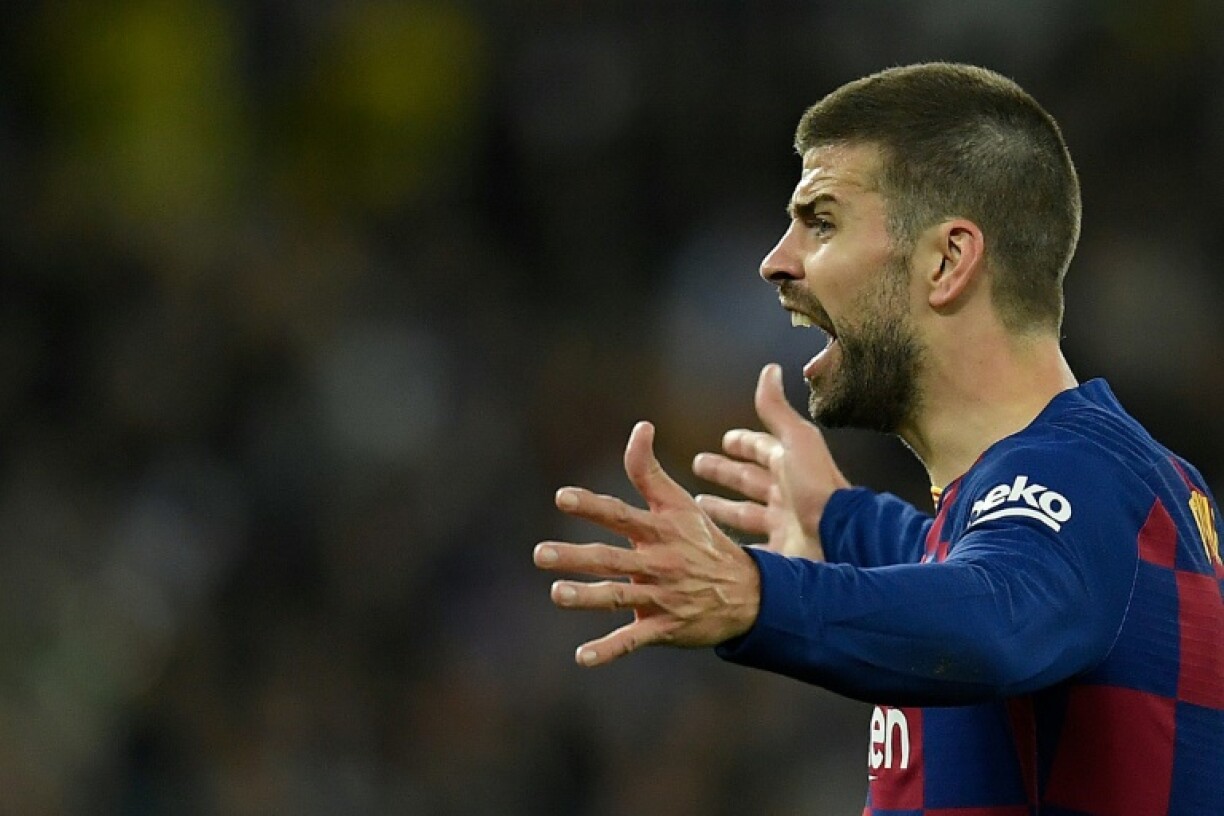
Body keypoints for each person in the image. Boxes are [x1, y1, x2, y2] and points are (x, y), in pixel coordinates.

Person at [533, 63, 1223, 815]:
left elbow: (999, 615)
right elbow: (990, 567)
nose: (775, 261)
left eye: (821, 219)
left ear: (947, 261)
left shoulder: (1078, 477)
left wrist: (757, 595)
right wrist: (838, 518)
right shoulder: (1093, 484)